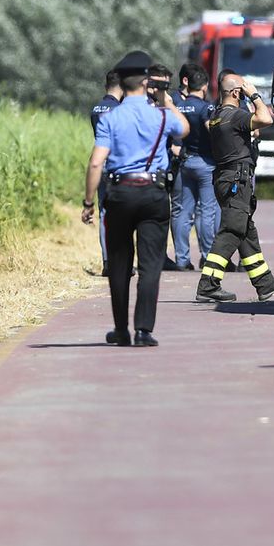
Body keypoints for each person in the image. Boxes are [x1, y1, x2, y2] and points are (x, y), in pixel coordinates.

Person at [83, 51, 188, 346]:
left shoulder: (110, 117)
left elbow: (95, 163)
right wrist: (165, 98)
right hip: (154, 193)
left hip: (119, 193)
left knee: (119, 263)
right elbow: (186, 128)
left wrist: (89, 202)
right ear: (146, 81)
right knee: (151, 263)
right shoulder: (162, 114)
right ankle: (143, 330)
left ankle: (120, 329)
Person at [195, 71, 274, 304]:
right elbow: (266, 120)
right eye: (243, 89)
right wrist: (255, 95)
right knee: (232, 230)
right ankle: (208, 284)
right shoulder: (235, 115)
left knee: (246, 231)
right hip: (237, 180)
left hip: (226, 179)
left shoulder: (218, 116)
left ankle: (263, 281)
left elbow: (252, 127)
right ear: (237, 92)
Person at [170, 62, 219, 271]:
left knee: (182, 211)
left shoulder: (177, 107)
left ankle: (182, 259)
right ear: (205, 87)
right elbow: (214, 133)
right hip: (205, 163)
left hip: (184, 161)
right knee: (206, 211)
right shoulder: (206, 108)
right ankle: (207, 256)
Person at [88, 70, 124, 272]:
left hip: (100, 162)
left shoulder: (96, 108)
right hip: (116, 165)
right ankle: (121, 261)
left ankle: (107, 261)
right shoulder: (119, 110)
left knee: (104, 213)